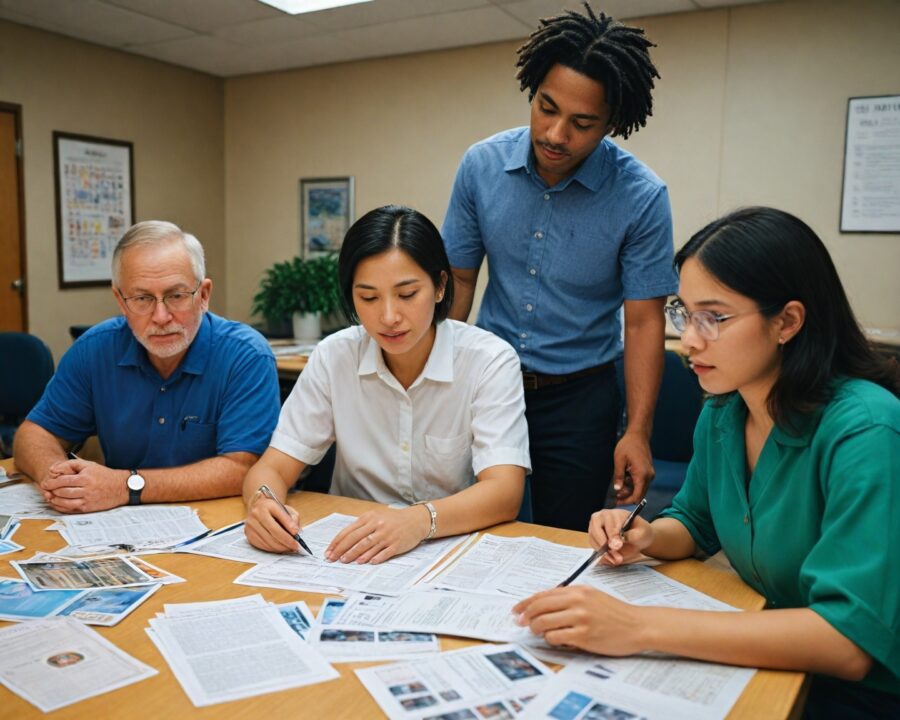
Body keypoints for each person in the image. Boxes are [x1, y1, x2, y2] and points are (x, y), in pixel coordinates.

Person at [513, 208, 900, 718]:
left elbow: (848, 642)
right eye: (684, 313)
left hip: (857, 693)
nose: (690, 340)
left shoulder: (867, 430)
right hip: (770, 653)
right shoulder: (725, 408)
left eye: (714, 318)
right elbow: (696, 521)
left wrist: (637, 627)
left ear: (787, 321)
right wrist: (647, 536)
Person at [442, 2, 677, 530]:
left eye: (582, 123)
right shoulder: (481, 166)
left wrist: (637, 430)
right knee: (473, 523)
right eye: (546, 108)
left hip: (581, 397)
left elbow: (643, 321)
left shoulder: (641, 197)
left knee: (564, 535)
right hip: (487, 380)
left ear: (613, 123)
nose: (555, 133)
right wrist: (442, 379)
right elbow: (459, 278)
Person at [243, 205, 530, 564]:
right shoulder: (334, 356)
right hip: (350, 552)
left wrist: (416, 521)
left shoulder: (488, 360)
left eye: (407, 294)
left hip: (454, 549)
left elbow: (504, 491)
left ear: (441, 287)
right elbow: (271, 468)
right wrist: (262, 503)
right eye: (368, 298)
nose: (389, 317)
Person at [14, 221, 280, 513]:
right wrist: (57, 478)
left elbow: (243, 468)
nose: (161, 316)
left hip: (219, 522)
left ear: (203, 295)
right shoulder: (95, 349)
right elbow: (35, 433)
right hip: (120, 526)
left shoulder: (245, 355)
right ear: (121, 300)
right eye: (142, 299)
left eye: (176, 296)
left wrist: (124, 486)